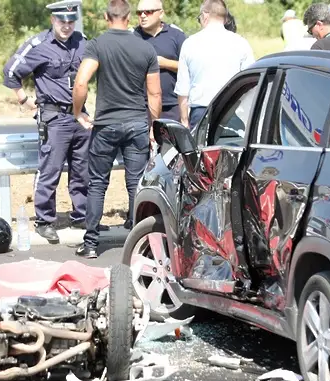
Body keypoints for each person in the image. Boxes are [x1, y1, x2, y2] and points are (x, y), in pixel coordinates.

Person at [71, 0, 162, 258]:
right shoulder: (145, 48)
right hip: (136, 124)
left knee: (98, 183)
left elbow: (81, 82)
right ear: (129, 16)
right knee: (136, 183)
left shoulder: (97, 44)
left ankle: (90, 244)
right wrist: (153, 125)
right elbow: (155, 93)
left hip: (106, 124)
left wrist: (78, 112)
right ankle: (137, 242)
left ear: (106, 16)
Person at [2, 1, 91, 244]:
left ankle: (80, 215)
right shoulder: (39, 45)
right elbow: (10, 71)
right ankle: (44, 221)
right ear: (53, 20)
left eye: (71, 21)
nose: (66, 26)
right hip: (54, 118)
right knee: (50, 171)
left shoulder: (82, 41)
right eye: (62, 21)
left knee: (81, 170)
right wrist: (23, 99)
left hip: (80, 116)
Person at [174, 0, 255, 130]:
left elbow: (183, 89)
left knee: (202, 149)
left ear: (205, 15)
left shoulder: (190, 44)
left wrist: (184, 121)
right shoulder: (241, 43)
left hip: (201, 112)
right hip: (232, 110)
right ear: (225, 17)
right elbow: (251, 82)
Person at [133, 0, 187, 121]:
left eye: (148, 12)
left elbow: (188, 67)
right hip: (141, 108)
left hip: (172, 106)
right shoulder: (132, 37)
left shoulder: (176, 35)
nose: (143, 16)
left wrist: (166, 63)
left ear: (161, 13)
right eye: (139, 12)